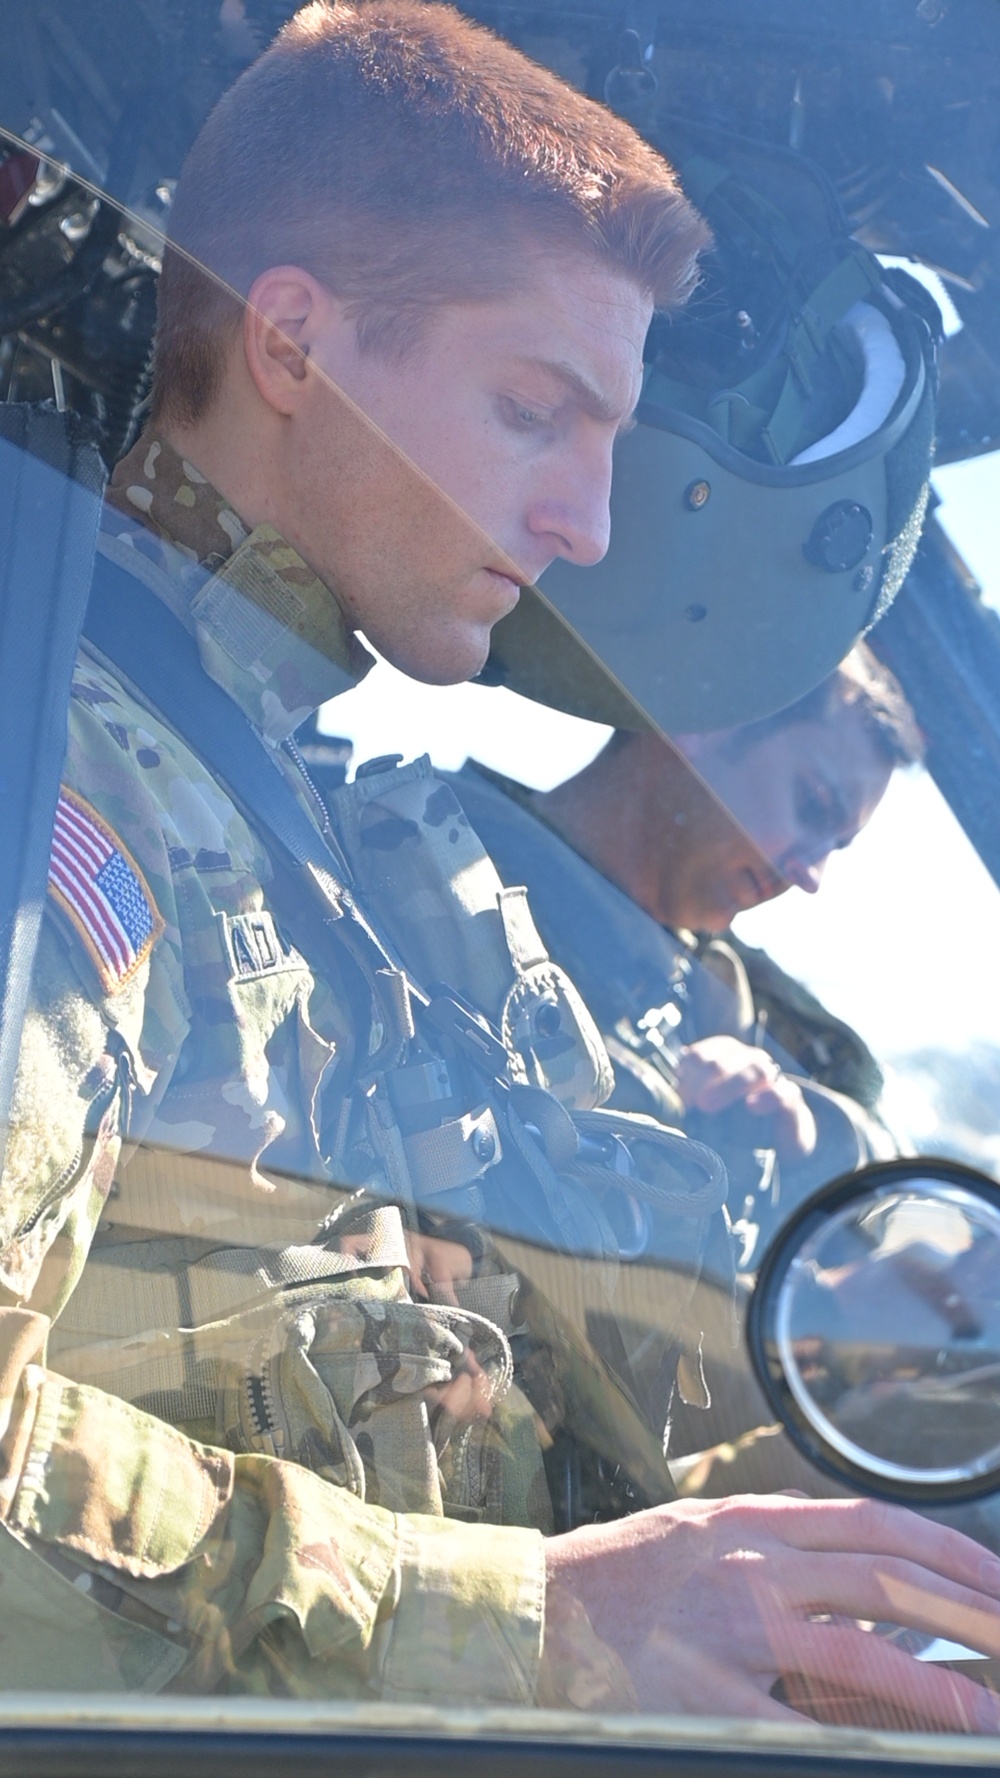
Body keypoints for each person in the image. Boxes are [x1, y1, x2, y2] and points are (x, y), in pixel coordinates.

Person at [0, 0, 998, 1730]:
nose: (588, 525)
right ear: (297, 348)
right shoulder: (71, 785)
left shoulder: (288, 815)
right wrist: (522, 1621)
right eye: (537, 411)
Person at [458, 645, 919, 1266]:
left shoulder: (715, 979)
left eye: (837, 843)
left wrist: (799, 1126)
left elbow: (892, 1179)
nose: (811, 874)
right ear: (704, 722)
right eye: (812, 804)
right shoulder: (426, 879)